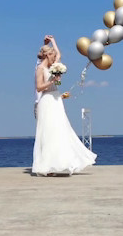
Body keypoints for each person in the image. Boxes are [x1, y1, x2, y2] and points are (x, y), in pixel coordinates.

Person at [32, 35, 96, 176]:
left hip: (56, 99)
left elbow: (59, 54)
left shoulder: (52, 65)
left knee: (60, 129)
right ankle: (47, 166)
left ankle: (60, 163)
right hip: (47, 100)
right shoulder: (40, 69)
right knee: (48, 132)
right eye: (52, 56)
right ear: (47, 55)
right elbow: (39, 87)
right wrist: (53, 80)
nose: (55, 59)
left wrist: (53, 40)